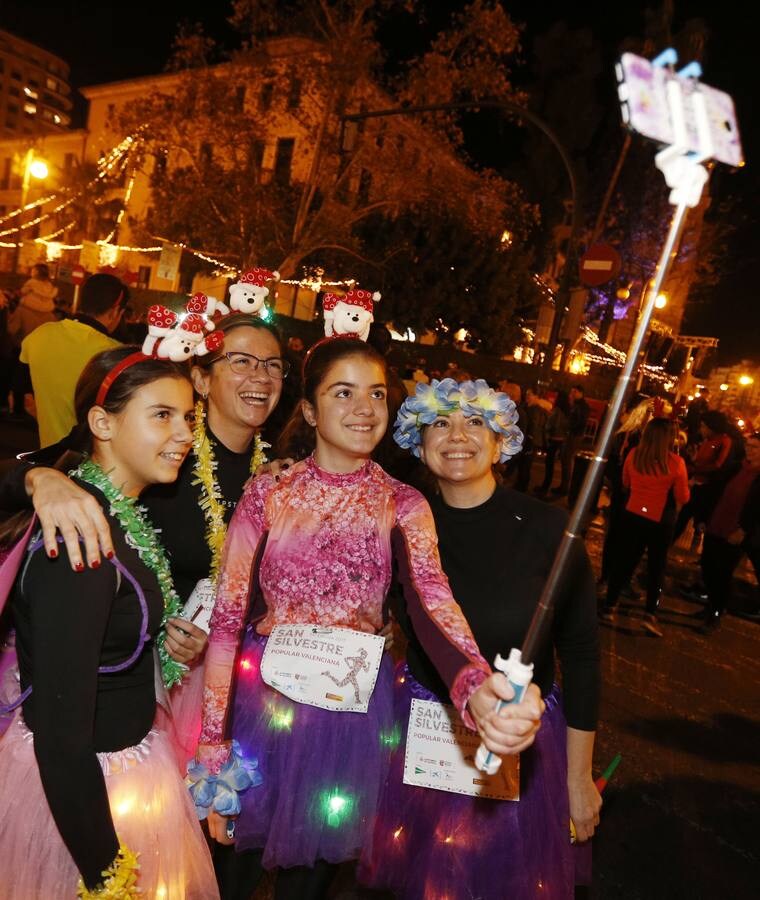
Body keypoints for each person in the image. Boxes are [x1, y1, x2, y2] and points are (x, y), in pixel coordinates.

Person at [194, 338, 543, 900]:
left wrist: (474, 679)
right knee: (228, 876)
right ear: (309, 410)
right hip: (261, 710)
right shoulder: (269, 492)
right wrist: (214, 740)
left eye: (376, 394)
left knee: (308, 882)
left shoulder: (403, 503)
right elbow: (231, 616)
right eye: (344, 392)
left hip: (347, 721)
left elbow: (432, 599)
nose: (364, 408)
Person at [1, 313, 287, 765]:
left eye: (273, 365)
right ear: (200, 377)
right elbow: (49, 466)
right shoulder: (158, 453)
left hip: (221, 674)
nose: (260, 376)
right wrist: (40, 480)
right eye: (241, 360)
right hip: (122, 684)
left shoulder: (275, 475)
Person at [361, 378, 601, 900]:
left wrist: (578, 779)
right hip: (425, 722)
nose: (457, 435)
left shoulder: (549, 529)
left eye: (476, 421)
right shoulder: (399, 522)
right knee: (423, 876)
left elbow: (582, 656)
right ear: (418, 443)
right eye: (440, 423)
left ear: (501, 440)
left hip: (521, 733)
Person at [0, 347, 218, 898]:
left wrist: (160, 646)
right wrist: (105, 873)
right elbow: (60, 736)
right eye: (162, 415)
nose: (185, 434)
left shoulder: (116, 514)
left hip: (127, 774)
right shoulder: (80, 537)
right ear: (102, 423)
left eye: (188, 418)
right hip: (79, 800)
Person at [601, 418, 689, 636]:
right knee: (656, 566)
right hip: (660, 521)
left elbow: (626, 483)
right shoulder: (676, 463)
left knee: (625, 560)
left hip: (633, 515)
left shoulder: (634, 455)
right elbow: (682, 496)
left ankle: (610, 605)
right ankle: (650, 614)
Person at [19, 273, 127, 447]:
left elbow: (23, 396)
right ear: (116, 311)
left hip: (48, 455)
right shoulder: (116, 353)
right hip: (94, 464)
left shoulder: (39, 335)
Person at [698, 431, 760, 633]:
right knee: (707, 567)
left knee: (722, 574)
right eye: (748, 446)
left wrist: (744, 530)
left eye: (755, 447)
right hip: (716, 525)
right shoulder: (735, 468)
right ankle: (711, 606)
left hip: (735, 533)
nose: (749, 450)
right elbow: (714, 492)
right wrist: (703, 518)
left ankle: (716, 613)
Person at [554, 384, 590, 497]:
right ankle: (563, 485)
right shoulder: (578, 405)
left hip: (574, 435)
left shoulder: (581, 406)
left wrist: (569, 427)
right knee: (565, 459)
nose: (572, 394)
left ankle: (565, 487)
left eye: (574, 392)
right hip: (573, 434)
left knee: (567, 459)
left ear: (580, 393)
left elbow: (578, 421)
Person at [535, 389, 570, 497]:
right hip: (561, 440)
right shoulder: (567, 411)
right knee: (552, 464)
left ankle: (545, 487)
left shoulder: (557, 410)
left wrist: (547, 430)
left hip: (553, 439)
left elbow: (551, 424)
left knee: (549, 465)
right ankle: (546, 486)